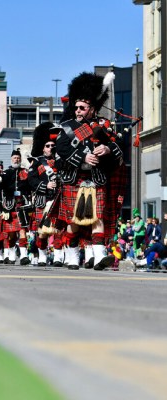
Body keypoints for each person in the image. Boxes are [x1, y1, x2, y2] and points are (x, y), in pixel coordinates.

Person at [55, 71, 123, 270]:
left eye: (82, 108)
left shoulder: (102, 127)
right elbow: (62, 148)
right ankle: (73, 256)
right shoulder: (67, 127)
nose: (77, 111)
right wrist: (84, 157)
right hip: (74, 178)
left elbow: (118, 146)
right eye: (76, 107)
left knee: (97, 217)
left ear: (92, 108)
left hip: (96, 178)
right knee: (73, 220)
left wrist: (107, 149)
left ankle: (101, 256)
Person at [28, 122, 61, 266]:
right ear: (42, 147)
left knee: (58, 230)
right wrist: (45, 185)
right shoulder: (37, 162)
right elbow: (31, 180)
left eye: (52, 145)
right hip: (43, 199)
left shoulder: (61, 161)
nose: (50, 148)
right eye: (48, 146)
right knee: (41, 232)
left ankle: (59, 257)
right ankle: (42, 256)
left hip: (58, 199)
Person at [0, 148, 33, 265]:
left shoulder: (25, 172)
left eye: (18, 158)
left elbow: (30, 185)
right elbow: (1, 186)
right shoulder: (6, 173)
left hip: (22, 204)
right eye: (14, 158)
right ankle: (12, 256)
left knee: (22, 230)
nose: (16, 159)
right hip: (10, 205)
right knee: (11, 234)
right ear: (11, 159)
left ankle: (23, 256)